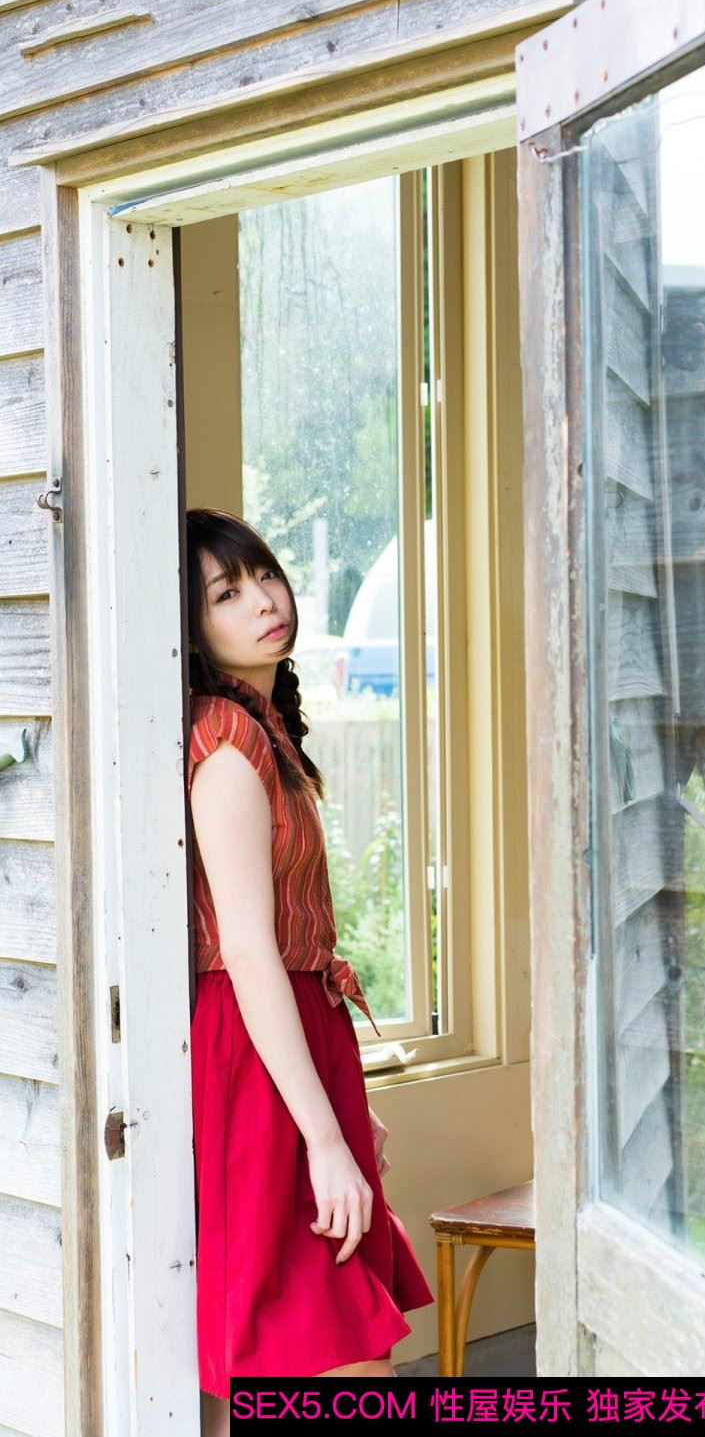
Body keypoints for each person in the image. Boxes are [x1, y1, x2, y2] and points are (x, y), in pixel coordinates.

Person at [185, 508, 435, 1433]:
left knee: (315, 1348)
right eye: (227, 593)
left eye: (264, 575)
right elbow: (249, 952)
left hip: (292, 1043)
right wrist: (322, 1139)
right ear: (192, 627)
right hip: (256, 1058)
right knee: (318, 1346)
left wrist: (341, 1112)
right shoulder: (227, 743)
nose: (263, 600)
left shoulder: (261, 729)